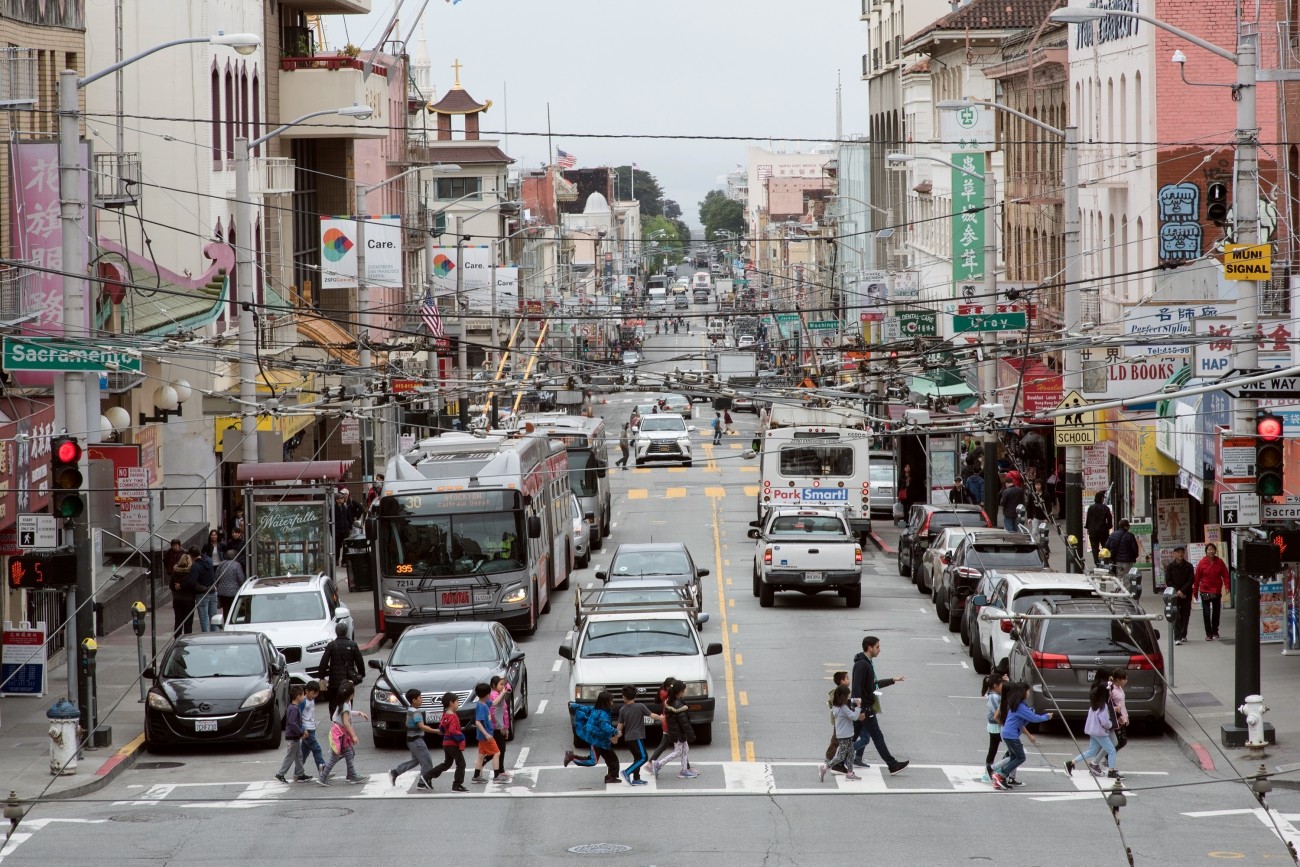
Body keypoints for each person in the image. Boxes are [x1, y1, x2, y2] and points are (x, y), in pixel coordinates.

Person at [850, 635, 910, 775]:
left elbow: (872, 685)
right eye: (877, 647)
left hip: (864, 708)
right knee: (877, 736)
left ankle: (836, 762)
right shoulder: (861, 664)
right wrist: (859, 709)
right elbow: (856, 688)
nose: (879, 650)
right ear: (869, 648)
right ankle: (892, 765)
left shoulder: (867, 663)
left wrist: (893, 680)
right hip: (865, 708)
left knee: (852, 737)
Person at [990, 681, 1053, 790]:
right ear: (1022, 692)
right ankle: (1000, 775)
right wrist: (1046, 716)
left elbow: (1026, 718)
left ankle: (1000, 778)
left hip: (1008, 733)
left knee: (1014, 757)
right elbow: (1034, 718)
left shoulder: (1017, 704)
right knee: (1021, 757)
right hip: (1012, 735)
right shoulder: (1020, 706)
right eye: (1027, 691)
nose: (1029, 693)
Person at [1064, 678, 1118, 779]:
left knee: (1091, 751)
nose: (1111, 693)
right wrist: (1110, 724)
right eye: (1110, 691)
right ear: (1106, 693)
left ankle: (1071, 763)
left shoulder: (1094, 704)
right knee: (1111, 750)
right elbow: (1105, 722)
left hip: (1092, 731)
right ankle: (1111, 771)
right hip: (1100, 732)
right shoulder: (1104, 706)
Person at [316, 680, 367, 785]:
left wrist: (359, 713)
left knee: (350, 753)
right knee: (341, 755)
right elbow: (345, 721)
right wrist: (353, 735)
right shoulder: (346, 705)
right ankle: (325, 777)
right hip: (340, 735)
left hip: (339, 732)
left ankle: (350, 775)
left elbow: (346, 715)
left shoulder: (343, 703)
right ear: (351, 694)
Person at [388, 689, 439, 791]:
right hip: (416, 740)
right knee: (427, 762)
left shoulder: (411, 710)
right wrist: (436, 731)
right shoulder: (415, 712)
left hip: (411, 740)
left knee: (416, 761)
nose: (422, 699)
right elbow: (422, 726)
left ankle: (395, 772)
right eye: (420, 697)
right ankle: (422, 782)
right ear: (414, 700)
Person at [565, 691, 621, 783]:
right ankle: (571, 757)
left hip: (603, 742)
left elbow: (583, 708)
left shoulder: (594, 709)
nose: (612, 702)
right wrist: (616, 732)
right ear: (606, 702)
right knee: (592, 761)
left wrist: (573, 705)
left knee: (612, 759)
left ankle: (611, 776)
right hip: (596, 741)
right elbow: (605, 726)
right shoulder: (603, 714)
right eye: (611, 701)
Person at [649, 681, 698, 779]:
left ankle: (684, 770)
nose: (685, 692)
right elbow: (684, 723)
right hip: (679, 732)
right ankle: (658, 764)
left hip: (676, 731)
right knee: (678, 751)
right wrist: (690, 734)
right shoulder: (678, 705)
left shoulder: (671, 702)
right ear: (680, 692)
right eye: (684, 690)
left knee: (685, 749)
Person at [616, 684, 660, 786]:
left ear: (624, 697)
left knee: (637, 758)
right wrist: (661, 718)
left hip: (628, 738)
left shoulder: (622, 709)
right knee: (643, 757)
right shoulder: (640, 706)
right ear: (635, 696)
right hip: (637, 737)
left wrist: (615, 736)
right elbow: (652, 715)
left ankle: (636, 778)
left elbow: (620, 725)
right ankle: (627, 772)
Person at [819, 685, 864, 782]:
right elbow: (854, 717)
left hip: (843, 734)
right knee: (841, 756)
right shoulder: (843, 708)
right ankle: (825, 767)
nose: (849, 696)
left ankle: (850, 773)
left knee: (851, 753)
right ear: (843, 696)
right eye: (848, 695)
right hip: (845, 735)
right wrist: (858, 707)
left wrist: (853, 701)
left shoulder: (836, 706)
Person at [319, 622, 365, 717]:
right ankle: (346, 720)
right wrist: (361, 674)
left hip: (334, 681)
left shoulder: (331, 645)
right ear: (347, 632)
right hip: (348, 681)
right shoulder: (353, 645)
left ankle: (335, 722)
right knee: (347, 702)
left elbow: (324, 662)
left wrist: (321, 676)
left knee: (333, 703)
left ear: (336, 632)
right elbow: (359, 661)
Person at [472, 682, 512, 784]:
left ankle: (476, 776)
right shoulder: (482, 707)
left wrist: (503, 693)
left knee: (481, 755)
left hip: (483, 736)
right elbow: (477, 722)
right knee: (497, 752)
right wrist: (486, 733)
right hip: (486, 736)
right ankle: (496, 775)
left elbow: (494, 703)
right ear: (487, 694)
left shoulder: (485, 703)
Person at [429, 691, 469, 792]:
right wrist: (461, 737)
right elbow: (452, 730)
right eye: (457, 702)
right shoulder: (453, 716)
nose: (458, 704)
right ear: (451, 703)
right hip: (452, 744)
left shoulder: (445, 714)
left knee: (447, 763)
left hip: (446, 743)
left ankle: (428, 775)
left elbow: (442, 728)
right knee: (461, 764)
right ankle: (457, 785)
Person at [1193, 543, 1229, 640]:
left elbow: (1225, 575)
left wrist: (1227, 586)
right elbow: (1196, 578)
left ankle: (1215, 631)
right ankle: (1208, 634)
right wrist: (1195, 591)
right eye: (1209, 549)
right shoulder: (1202, 562)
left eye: (1213, 549)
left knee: (1216, 612)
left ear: (1215, 551)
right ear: (1206, 551)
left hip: (1216, 591)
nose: (1211, 551)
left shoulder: (1220, 562)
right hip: (1205, 590)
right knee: (1206, 613)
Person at [274, 685, 307, 783]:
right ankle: (280, 774)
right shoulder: (294, 709)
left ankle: (300, 774)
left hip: (294, 736)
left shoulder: (292, 707)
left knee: (298, 755)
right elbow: (293, 723)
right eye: (302, 695)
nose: (304, 697)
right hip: (293, 737)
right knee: (291, 756)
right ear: (298, 696)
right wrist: (300, 733)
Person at [1165, 546, 1195, 644]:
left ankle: (1183, 634)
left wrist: (1183, 591)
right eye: (1178, 552)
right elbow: (1168, 581)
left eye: (1182, 552)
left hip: (1186, 594)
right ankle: (1177, 636)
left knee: (1185, 615)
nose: (1180, 554)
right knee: (1175, 614)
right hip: (1174, 595)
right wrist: (1177, 591)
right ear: (1174, 554)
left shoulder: (1189, 566)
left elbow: (1191, 580)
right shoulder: (1170, 567)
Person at [981, 672, 1007, 781]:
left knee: (994, 749)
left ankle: (991, 769)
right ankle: (991, 770)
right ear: (995, 686)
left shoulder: (996, 694)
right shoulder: (993, 696)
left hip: (997, 725)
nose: (1003, 687)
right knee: (994, 749)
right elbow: (997, 711)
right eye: (1001, 684)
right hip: (996, 725)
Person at [167, 542, 195, 637]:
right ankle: (187, 638)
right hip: (189, 600)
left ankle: (177, 638)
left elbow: (171, 586)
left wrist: (176, 588)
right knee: (188, 622)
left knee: (178, 621)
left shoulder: (175, 571)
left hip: (177, 599)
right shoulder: (191, 571)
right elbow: (192, 584)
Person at [825, 670, 851, 771]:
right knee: (836, 740)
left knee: (839, 740)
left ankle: (835, 760)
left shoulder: (845, 691)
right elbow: (836, 704)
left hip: (844, 720)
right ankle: (829, 760)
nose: (849, 680)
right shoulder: (838, 693)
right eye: (847, 678)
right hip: (840, 721)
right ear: (842, 681)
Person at [487, 676, 513, 772]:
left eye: (503, 684)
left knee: (500, 749)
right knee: (499, 749)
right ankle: (499, 770)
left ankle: (486, 762)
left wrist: (506, 727)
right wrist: (501, 726)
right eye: (501, 684)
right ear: (494, 685)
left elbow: (504, 714)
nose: (503, 687)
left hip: (502, 726)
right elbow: (495, 712)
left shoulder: (499, 694)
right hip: (497, 728)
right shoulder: (494, 695)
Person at [298, 681, 324, 778]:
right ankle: (323, 770)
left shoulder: (311, 700)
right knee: (317, 749)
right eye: (313, 693)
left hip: (311, 728)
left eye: (316, 694)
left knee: (304, 752)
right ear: (307, 691)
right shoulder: (303, 701)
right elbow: (298, 715)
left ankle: (298, 773)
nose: (315, 696)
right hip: (307, 730)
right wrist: (302, 729)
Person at [190, 547, 219, 632]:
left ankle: (206, 635)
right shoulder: (209, 561)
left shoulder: (195, 566)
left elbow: (192, 581)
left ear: (191, 556)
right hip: (212, 591)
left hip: (202, 594)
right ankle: (215, 634)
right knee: (213, 617)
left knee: (204, 618)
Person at [1104, 519, 1140, 584]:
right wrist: (1134, 557)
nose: (1129, 527)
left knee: (1118, 576)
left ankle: (1118, 590)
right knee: (1127, 577)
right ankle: (1126, 591)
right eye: (1128, 526)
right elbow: (1135, 549)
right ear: (1125, 526)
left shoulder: (1113, 535)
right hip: (1128, 561)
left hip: (1117, 560)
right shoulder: (1130, 536)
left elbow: (1106, 545)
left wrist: (1112, 555)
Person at [214, 548, 246, 620]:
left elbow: (216, 576)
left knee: (226, 609)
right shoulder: (237, 565)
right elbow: (241, 578)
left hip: (222, 592)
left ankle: (226, 622)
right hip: (233, 592)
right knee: (234, 610)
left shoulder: (221, 564)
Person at [1086, 493, 1114, 567]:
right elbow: (1109, 519)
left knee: (1094, 548)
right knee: (1105, 546)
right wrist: (1109, 527)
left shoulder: (1090, 508)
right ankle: (1105, 561)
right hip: (1103, 531)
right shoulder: (1105, 508)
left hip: (1093, 531)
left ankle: (1097, 562)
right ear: (1101, 499)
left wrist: (1088, 528)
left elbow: (1088, 519)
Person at [1108, 670, 1131, 759]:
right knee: (1119, 742)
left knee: (1121, 741)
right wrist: (1115, 709)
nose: (1126, 681)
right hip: (1115, 720)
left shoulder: (1120, 688)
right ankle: (1108, 757)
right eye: (1124, 679)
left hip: (1121, 719)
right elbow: (1107, 705)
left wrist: (1126, 717)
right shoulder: (1111, 690)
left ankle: (1108, 758)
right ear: (1118, 680)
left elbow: (1122, 704)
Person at [333, 491, 352, 566]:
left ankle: (344, 561)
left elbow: (349, 517)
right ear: (337, 500)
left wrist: (350, 527)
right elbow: (332, 519)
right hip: (337, 530)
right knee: (337, 546)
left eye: (342, 498)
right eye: (341, 498)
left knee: (345, 546)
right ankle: (336, 559)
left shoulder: (345, 507)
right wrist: (333, 531)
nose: (343, 499)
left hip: (345, 529)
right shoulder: (333, 509)